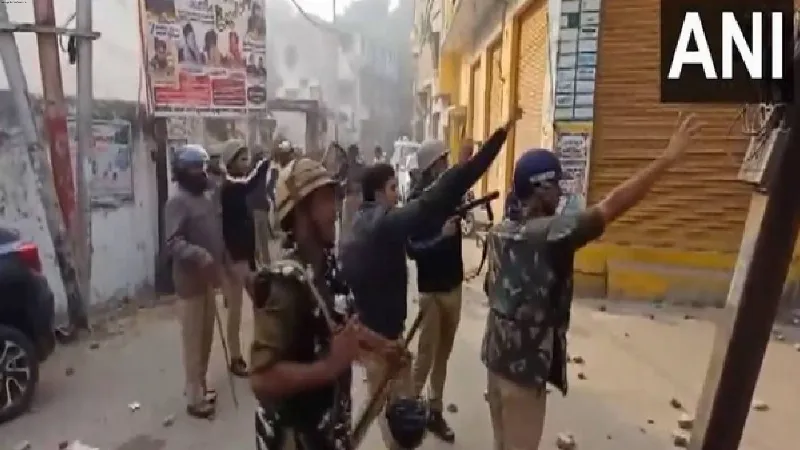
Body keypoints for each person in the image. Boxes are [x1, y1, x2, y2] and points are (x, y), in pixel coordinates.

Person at [481, 113, 701, 450]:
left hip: (495, 363)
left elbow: (490, 289)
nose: (560, 193)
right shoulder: (550, 234)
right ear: (540, 188)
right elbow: (612, 206)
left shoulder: (499, 232)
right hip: (523, 374)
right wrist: (667, 159)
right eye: (556, 186)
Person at [339, 109, 522, 449]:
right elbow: (438, 198)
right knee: (400, 423)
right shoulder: (385, 224)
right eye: (393, 187)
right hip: (383, 342)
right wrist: (496, 140)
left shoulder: (359, 224)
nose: (397, 193)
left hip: (375, 336)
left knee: (391, 413)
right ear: (379, 192)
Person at [249, 158, 402, 450]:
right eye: (325, 202)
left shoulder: (327, 267)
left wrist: (382, 346)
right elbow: (261, 377)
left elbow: (341, 325)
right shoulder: (286, 286)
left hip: (328, 431)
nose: (335, 211)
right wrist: (329, 367)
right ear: (302, 213)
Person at [406, 144, 463, 443]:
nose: (447, 166)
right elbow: (413, 250)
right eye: (443, 162)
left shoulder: (452, 193)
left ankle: (435, 410)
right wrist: (442, 237)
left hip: (453, 285)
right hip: (430, 291)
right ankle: (410, 411)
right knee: (426, 355)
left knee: (443, 355)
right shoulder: (416, 202)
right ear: (431, 167)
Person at [164, 144, 225, 419]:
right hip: (190, 283)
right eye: (194, 168)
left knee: (206, 338)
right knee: (192, 340)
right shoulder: (177, 202)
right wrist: (199, 255)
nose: (200, 173)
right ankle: (193, 398)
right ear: (181, 172)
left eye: (202, 167)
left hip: (208, 280)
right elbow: (173, 243)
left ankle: (201, 383)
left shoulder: (206, 197)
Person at [216, 139, 274, 377]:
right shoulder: (230, 186)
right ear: (231, 163)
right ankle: (236, 357)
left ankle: (260, 350)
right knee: (239, 309)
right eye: (242, 159)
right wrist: (266, 161)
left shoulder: (235, 185)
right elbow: (251, 181)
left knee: (258, 303)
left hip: (245, 255)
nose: (246, 163)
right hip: (234, 256)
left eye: (247, 158)